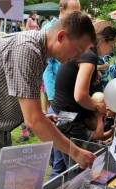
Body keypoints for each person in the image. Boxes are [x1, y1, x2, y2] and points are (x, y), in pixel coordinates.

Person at [0, 12, 96, 189]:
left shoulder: (36, 49)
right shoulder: (27, 49)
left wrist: (41, 117)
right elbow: (34, 122)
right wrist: (76, 153)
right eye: (77, 50)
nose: (78, 58)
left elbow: (24, 103)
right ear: (61, 36)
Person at [48, 20, 116, 179]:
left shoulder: (86, 55)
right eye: (111, 44)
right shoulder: (89, 56)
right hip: (71, 121)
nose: (111, 50)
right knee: (76, 175)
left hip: (61, 115)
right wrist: (97, 107)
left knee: (60, 170)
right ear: (101, 41)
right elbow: (80, 95)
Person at [17, 0, 81, 143]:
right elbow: (33, 119)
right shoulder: (33, 47)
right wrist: (52, 94)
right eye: (73, 13)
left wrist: (41, 116)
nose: (77, 57)